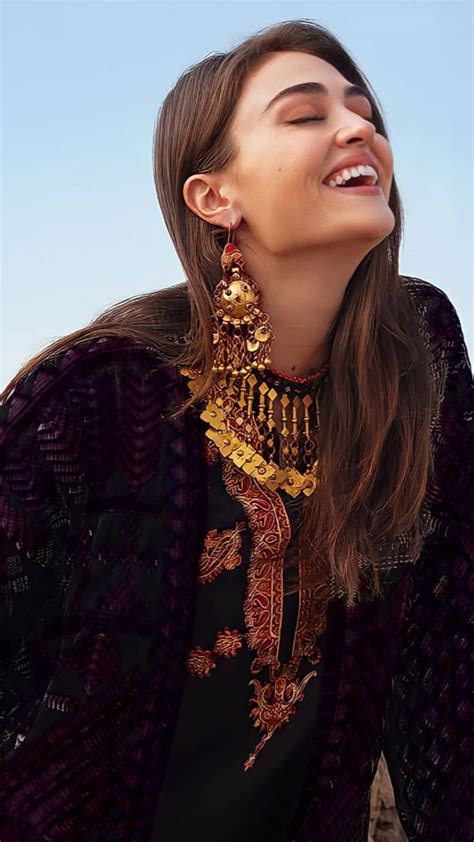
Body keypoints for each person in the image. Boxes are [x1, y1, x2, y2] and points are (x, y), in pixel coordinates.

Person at [0, 18, 472, 842]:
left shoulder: (416, 356)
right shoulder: (96, 399)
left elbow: (449, 655)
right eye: (306, 114)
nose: (361, 127)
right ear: (215, 197)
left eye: (363, 110)